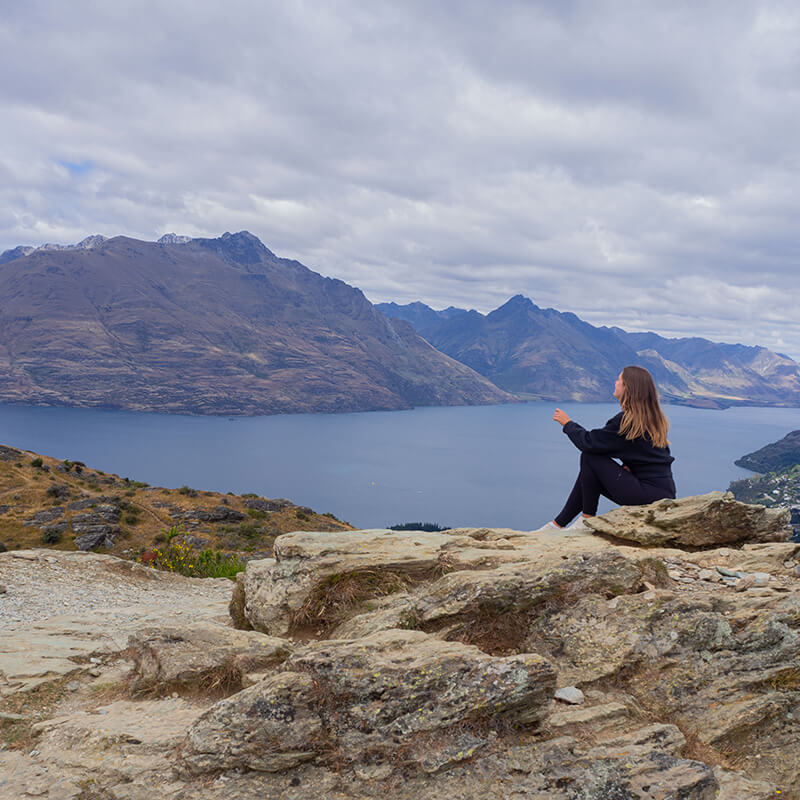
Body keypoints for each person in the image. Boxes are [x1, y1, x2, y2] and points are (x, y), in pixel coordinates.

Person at [546, 365, 676, 529]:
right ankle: (558, 524)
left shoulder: (627, 421)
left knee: (590, 457)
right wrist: (630, 468)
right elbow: (649, 456)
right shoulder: (652, 419)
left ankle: (585, 520)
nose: (615, 382)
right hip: (662, 493)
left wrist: (567, 423)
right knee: (591, 468)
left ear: (628, 387)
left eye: (619, 380)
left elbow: (589, 443)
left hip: (647, 495)